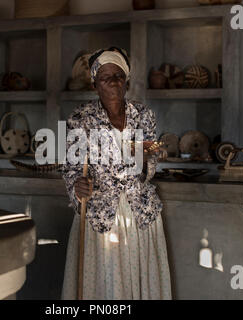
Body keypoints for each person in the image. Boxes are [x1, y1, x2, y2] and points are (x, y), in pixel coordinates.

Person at [61, 47, 172, 300]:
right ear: (95, 84)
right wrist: (76, 187)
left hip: (140, 212)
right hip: (101, 214)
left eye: (118, 75)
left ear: (127, 81)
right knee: (105, 288)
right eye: (105, 77)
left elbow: (151, 161)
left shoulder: (143, 115)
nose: (112, 81)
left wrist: (145, 160)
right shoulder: (81, 119)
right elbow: (71, 168)